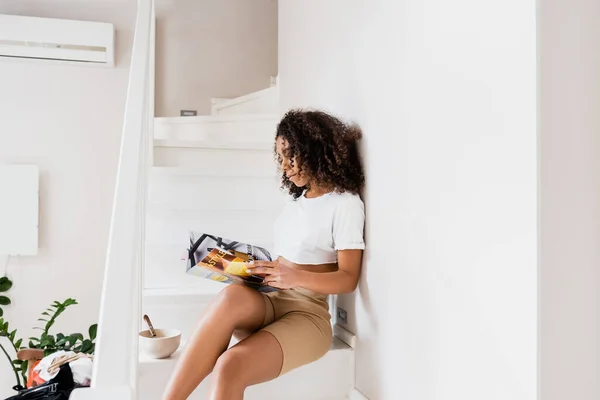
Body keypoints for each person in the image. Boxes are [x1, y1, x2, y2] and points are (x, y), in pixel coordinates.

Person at [163, 109, 366, 400]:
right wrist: (230, 264)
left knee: (229, 366)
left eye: (290, 156)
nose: (284, 167)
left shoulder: (345, 204)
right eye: (280, 158)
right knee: (231, 296)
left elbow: (348, 279)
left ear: (313, 150)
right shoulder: (297, 201)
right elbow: (284, 262)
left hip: (305, 314)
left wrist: (294, 276)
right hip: (270, 296)